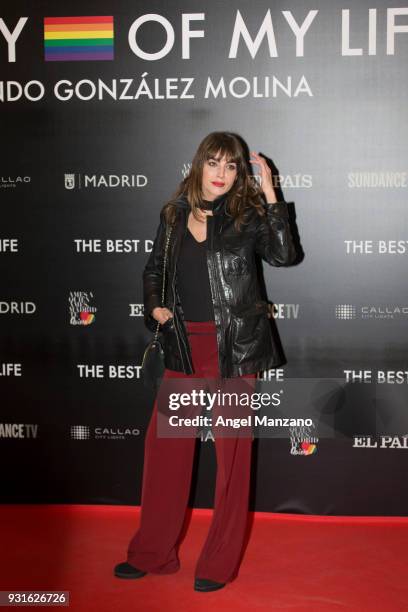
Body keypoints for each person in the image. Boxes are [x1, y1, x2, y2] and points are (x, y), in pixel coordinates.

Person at [114, 131, 296, 591]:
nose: (220, 173)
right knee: (165, 454)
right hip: (182, 348)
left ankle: (218, 562)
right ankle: (153, 552)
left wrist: (272, 195)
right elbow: (154, 267)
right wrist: (154, 303)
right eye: (213, 162)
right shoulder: (173, 215)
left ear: (239, 173)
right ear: (198, 165)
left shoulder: (247, 214)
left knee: (232, 460)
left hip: (234, 351)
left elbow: (285, 255)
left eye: (231, 166)